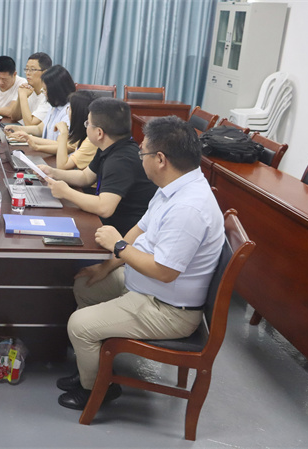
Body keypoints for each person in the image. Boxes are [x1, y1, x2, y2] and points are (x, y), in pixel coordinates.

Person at [56, 115, 225, 410]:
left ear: (160, 159)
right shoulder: (173, 186)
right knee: (85, 284)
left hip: (168, 309)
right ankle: (92, 367)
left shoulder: (189, 208)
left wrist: (118, 247)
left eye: (142, 152)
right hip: (147, 287)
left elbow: (164, 271)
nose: (140, 157)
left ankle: (98, 390)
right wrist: (106, 266)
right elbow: (140, 229)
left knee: (79, 325)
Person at [36, 97, 157, 236]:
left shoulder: (121, 160)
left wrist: (66, 192)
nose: (86, 126)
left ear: (99, 133)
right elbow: (85, 177)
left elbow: (104, 207)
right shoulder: (109, 146)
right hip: (107, 226)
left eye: (88, 123)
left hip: (121, 235)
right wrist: (53, 172)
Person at [4, 65, 76, 154]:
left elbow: (62, 145)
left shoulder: (69, 112)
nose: (44, 93)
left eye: (45, 90)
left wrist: (28, 138)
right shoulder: (54, 107)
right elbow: (39, 129)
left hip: (58, 157)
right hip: (47, 153)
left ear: (56, 91)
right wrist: (18, 128)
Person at [52, 91, 99, 170]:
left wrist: (63, 133)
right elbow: (69, 145)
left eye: (70, 109)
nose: (68, 113)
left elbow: (62, 166)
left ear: (78, 114)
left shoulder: (91, 140)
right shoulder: (83, 133)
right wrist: (36, 146)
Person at [11, 52, 53, 126]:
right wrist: (20, 96)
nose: (28, 73)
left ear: (45, 73)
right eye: (26, 69)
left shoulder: (49, 95)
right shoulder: (28, 89)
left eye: (32, 69)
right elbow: (14, 117)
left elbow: (30, 124)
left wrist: (23, 96)